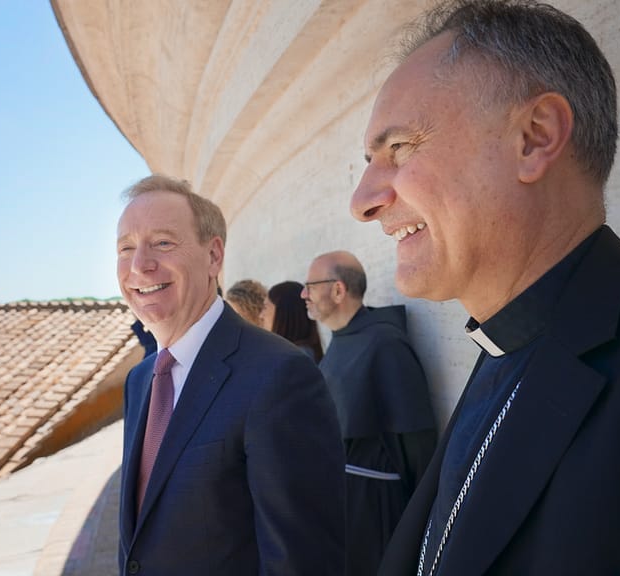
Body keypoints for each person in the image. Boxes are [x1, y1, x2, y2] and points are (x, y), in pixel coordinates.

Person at [350, 1, 620, 574]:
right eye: (369, 160)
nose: (362, 201)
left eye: (400, 149)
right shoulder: (500, 350)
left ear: (535, 139)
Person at [115, 174, 345, 576]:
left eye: (163, 242)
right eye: (126, 248)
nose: (140, 265)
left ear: (214, 256)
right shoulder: (139, 382)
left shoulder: (280, 375)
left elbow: (302, 563)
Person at [303, 250, 436, 576]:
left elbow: (417, 441)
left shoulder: (384, 344)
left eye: (310, 285)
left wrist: (420, 524)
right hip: (344, 504)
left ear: (338, 290)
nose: (303, 294)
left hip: (374, 508)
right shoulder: (341, 339)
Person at [262, 280, 324, 361]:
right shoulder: (294, 354)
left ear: (284, 314)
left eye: (265, 307)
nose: (261, 315)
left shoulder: (295, 358)